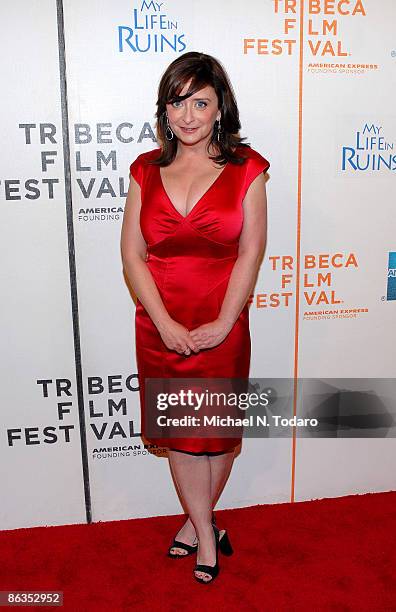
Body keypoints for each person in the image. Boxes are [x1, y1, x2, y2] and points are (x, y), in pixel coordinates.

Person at [120, 51, 269, 584]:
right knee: (183, 436)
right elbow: (133, 256)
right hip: (161, 326)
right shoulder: (146, 169)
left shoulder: (247, 168)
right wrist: (164, 325)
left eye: (199, 102)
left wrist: (226, 322)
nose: (186, 114)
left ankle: (193, 521)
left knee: (218, 434)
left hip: (222, 324)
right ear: (163, 110)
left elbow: (250, 253)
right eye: (176, 101)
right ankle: (207, 532)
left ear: (219, 109)